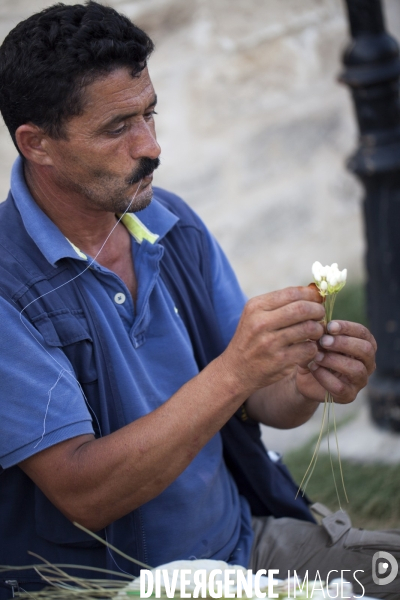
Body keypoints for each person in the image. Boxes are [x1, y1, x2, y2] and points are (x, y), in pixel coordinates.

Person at [0, 2, 397, 599]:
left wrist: (305, 382)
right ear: (38, 145)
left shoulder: (172, 221)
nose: (151, 145)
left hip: (243, 545)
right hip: (119, 587)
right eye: (118, 127)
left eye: (149, 114)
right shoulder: (7, 288)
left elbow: (261, 401)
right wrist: (237, 369)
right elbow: (85, 493)